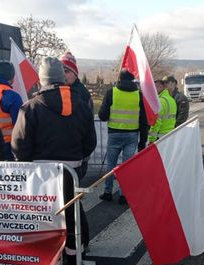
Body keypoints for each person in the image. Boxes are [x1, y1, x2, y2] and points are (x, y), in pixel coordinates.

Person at [12, 57, 97, 260]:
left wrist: (28, 163)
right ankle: (75, 255)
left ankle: (50, 258)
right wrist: (79, 158)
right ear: (61, 78)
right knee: (72, 211)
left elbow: (19, 144)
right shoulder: (81, 105)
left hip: (41, 176)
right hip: (72, 172)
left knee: (46, 215)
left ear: (42, 79)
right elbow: (90, 142)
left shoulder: (30, 107)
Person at [98, 69, 148, 204]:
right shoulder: (139, 95)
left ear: (120, 79)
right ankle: (124, 195)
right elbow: (143, 120)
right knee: (127, 166)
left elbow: (102, 116)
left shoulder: (111, 92)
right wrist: (142, 141)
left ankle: (108, 192)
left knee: (111, 164)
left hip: (114, 133)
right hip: (132, 135)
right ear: (132, 80)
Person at [61, 51, 94, 178]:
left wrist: (84, 154)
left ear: (75, 73)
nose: (63, 75)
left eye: (67, 71)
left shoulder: (83, 94)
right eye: (61, 70)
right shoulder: (56, 90)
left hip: (77, 152)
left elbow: (88, 124)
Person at [148, 77, 178, 143]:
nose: (153, 91)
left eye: (154, 88)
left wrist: (151, 139)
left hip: (160, 138)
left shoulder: (160, 101)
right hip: (170, 134)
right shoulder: (172, 100)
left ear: (161, 87)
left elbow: (156, 122)